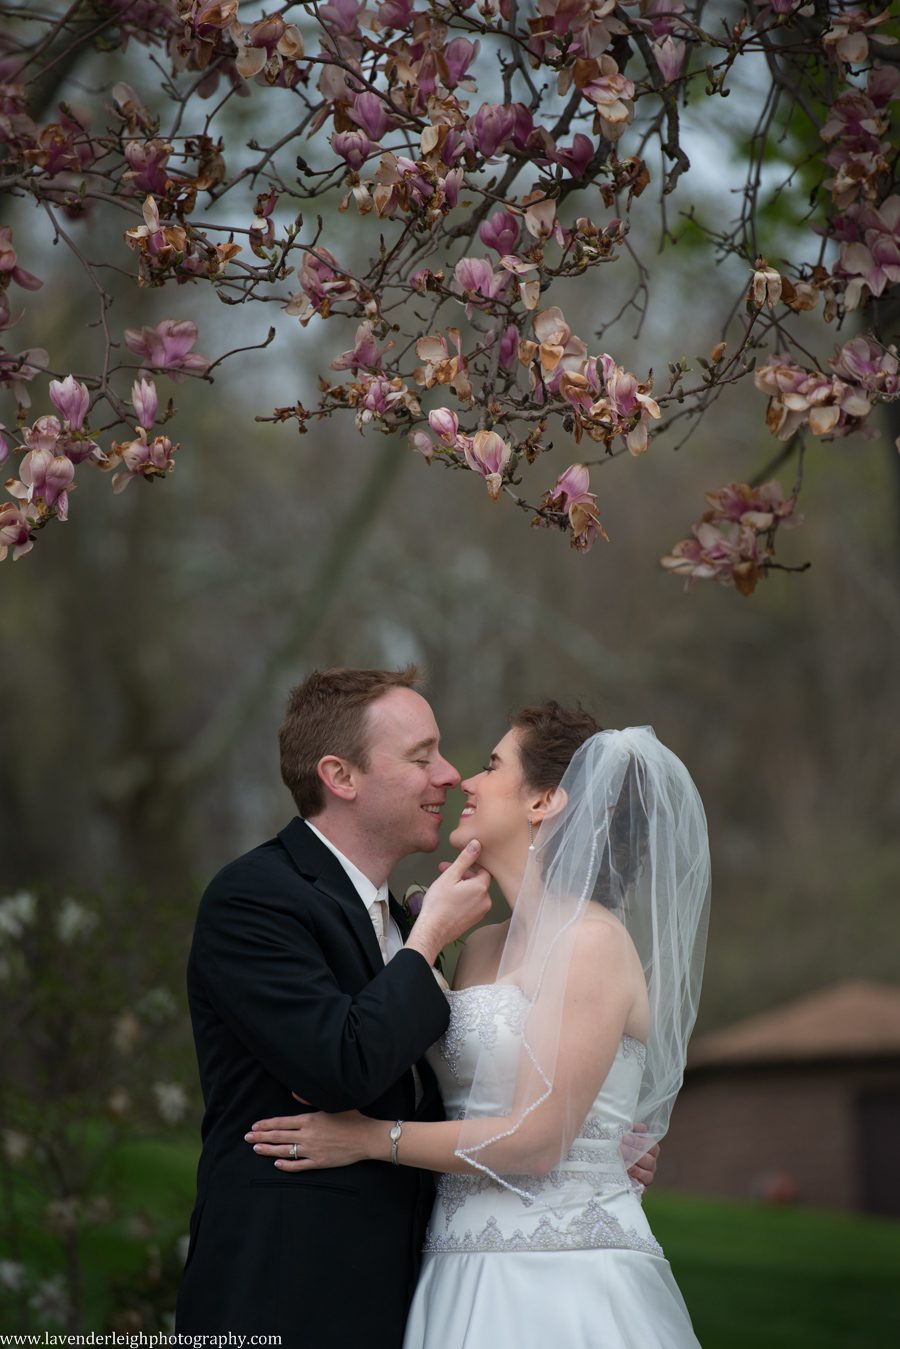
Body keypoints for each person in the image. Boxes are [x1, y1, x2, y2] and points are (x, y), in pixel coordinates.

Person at [245, 702, 710, 1349]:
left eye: (492, 765)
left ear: (544, 800)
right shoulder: (481, 946)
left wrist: (367, 1137)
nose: (466, 780)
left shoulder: (591, 943)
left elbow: (539, 1141)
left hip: (558, 1275)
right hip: (453, 1264)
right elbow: (457, 1091)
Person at [175, 667, 495, 1346]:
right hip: (286, 1291)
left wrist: (584, 1143)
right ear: (340, 776)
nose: (449, 773)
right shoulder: (254, 898)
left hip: (406, 1292)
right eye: (421, 756)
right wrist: (434, 932)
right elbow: (340, 1065)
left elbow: (429, 1093)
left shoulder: (398, 924)